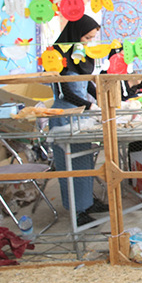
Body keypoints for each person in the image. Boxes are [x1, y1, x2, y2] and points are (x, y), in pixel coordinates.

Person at [49, 15, 105, 227]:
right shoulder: (58, 55)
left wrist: (100, 96)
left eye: (92, 38)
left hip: (80, 115)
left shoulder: (80, 54)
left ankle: (88, 203)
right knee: (69, 166)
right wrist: (90, 106)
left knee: (84, 161)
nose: (88, 42)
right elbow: (64, 92)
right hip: (64, 116)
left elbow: (86, 82)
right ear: (75, 33)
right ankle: (76, 211)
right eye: (86, 37)